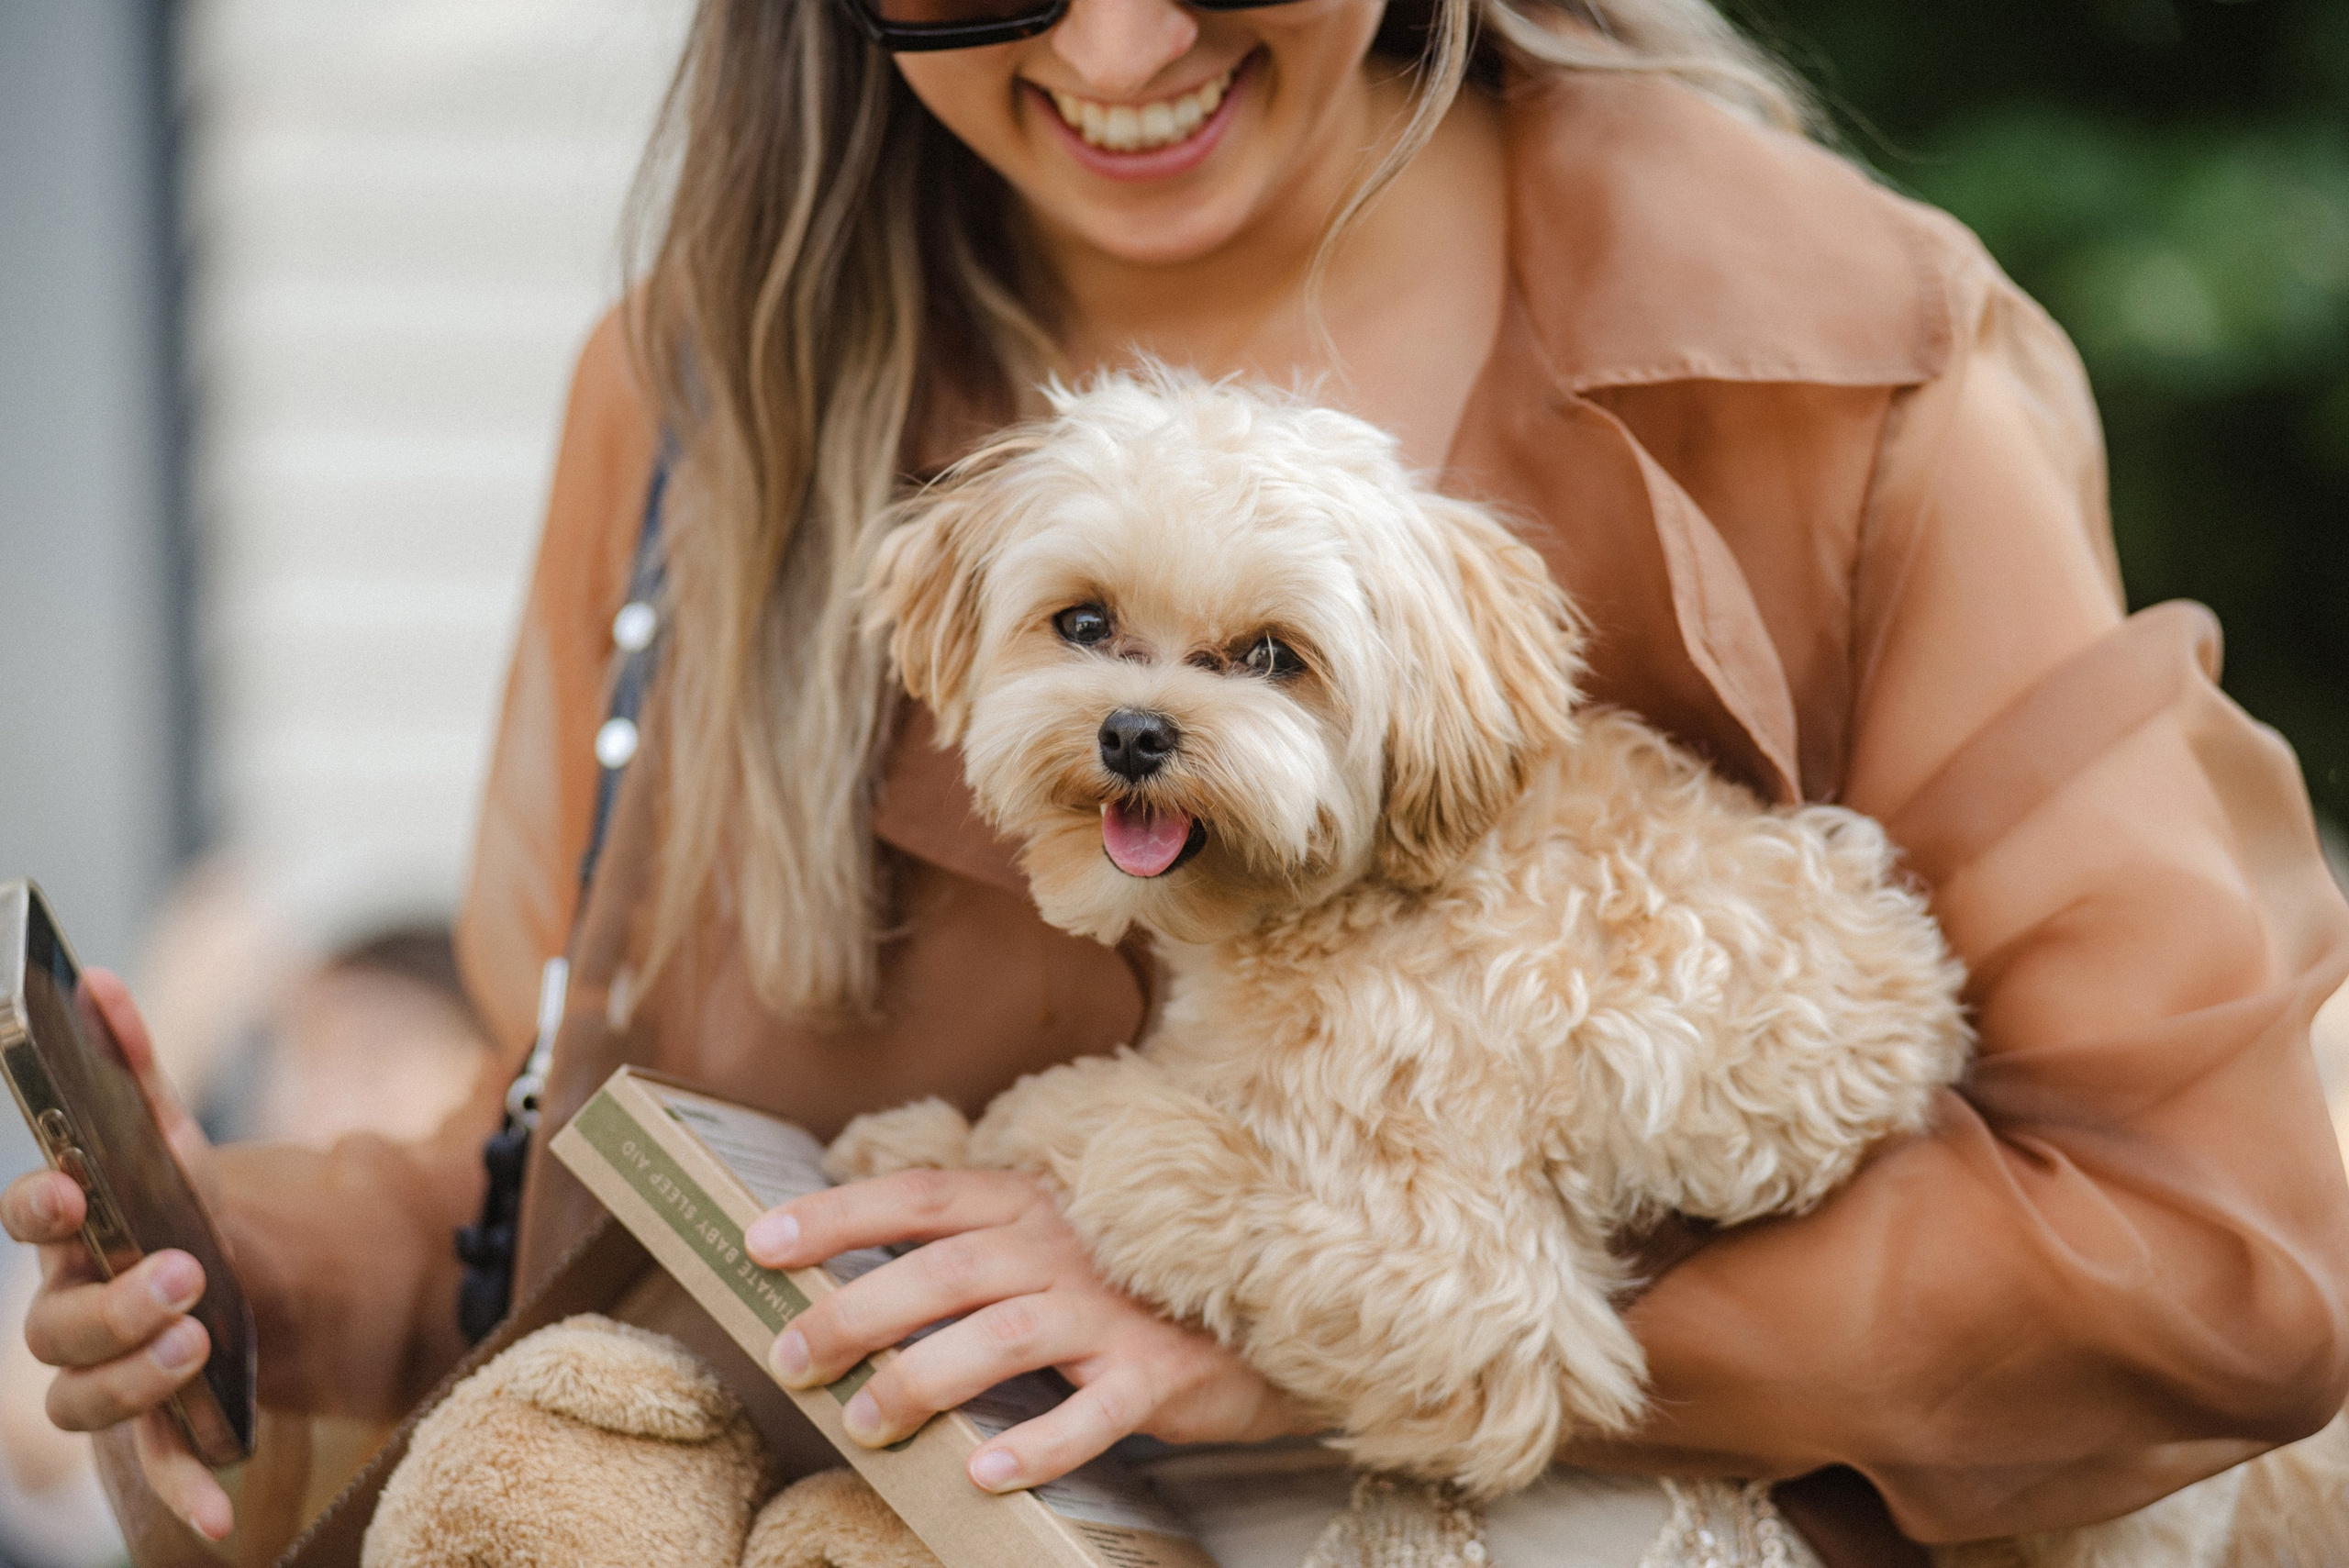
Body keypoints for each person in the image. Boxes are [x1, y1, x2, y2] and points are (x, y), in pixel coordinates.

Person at [8, 0, 2348, 1562]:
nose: (1117, 47)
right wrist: (246, 1278)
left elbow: (2206, 1260)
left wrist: (1330, 1325)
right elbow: (560, 1170)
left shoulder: (1838, 357)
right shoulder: (705, 399)